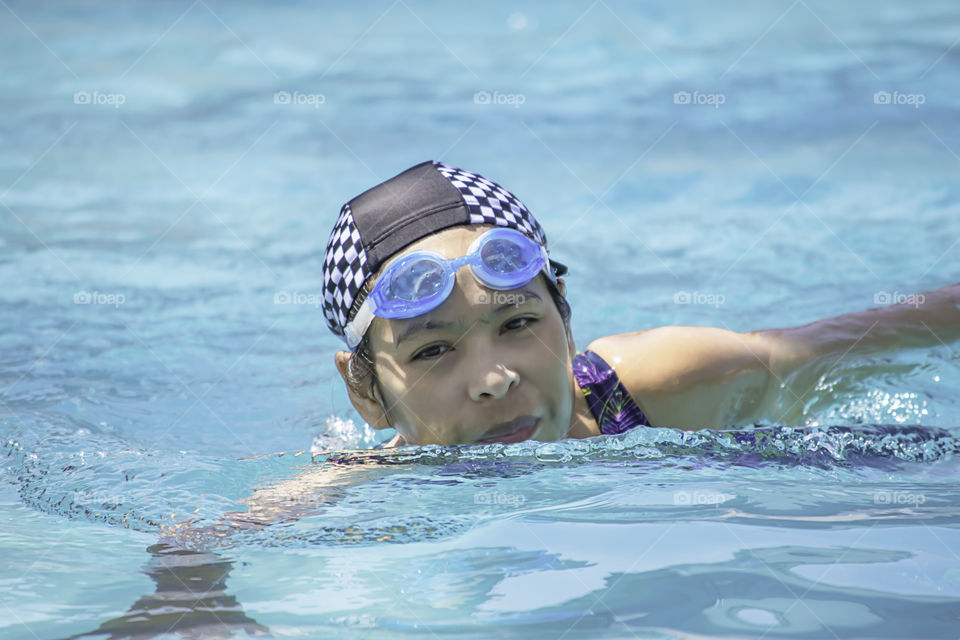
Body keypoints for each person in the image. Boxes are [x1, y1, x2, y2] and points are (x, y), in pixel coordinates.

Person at [322, 160, 960, 448]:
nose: (495, 379)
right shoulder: (363, 494)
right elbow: (221, 556)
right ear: (367, 393)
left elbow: (870, 336)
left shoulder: (655, 387)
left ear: (565, 320)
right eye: (433, 350)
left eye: (518, 323)